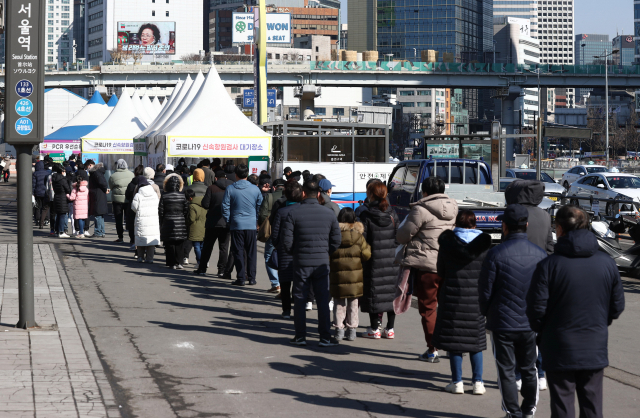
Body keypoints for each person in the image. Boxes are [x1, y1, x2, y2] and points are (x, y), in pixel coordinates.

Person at [527, 205, 625, 418]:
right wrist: (599, 321)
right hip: (594, 343)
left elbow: (535, 309)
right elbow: (617, 306)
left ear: (559, 229)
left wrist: (544, 332)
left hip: (558, 343)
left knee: (562, 404)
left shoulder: (549, 265)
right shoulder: (607, 263)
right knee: (592, 404)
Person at [479, 204, 547, 418]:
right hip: (530, 323)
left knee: (506, 371)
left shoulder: (495, 254)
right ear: (526, 225)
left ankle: (513, 412)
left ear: (504, 226)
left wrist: (486, 313)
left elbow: (485, 291)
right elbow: (545, 291)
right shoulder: (541, 255)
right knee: (529, 369)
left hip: (502, 322)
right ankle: (529, 410)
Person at [396, 177, 458, 362]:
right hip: (448, 263)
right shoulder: (453, 207)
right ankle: (452, 346)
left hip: (427, 266)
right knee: (447, 307)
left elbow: (403, 235)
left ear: (424, 192)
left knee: (429, 309)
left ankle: (432, 350)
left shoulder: (420, 210)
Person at [433, 210, 492, 395]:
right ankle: (478, 382)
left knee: (455, 341)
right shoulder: (484, 245)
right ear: (475, 224)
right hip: (476, 297)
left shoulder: (447, 243)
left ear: (456, 224)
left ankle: (457, 382)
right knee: (475, 341)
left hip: (452, 295)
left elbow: (440, 270)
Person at [282, 180, 341, 347]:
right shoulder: (329, 213)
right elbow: (336, 241)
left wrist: (297, 252)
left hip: (301, 262)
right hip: (322, 262)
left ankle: (300, 336)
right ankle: (324, 336)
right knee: (323, 300)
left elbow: (286, 242)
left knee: (300, 299)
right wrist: (325, 252)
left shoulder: (293, 214)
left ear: (303, 193)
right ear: (318, 194)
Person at [358, 181, 400, 340]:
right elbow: (398, 236)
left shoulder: (366, 214)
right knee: (390, 293)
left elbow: (362, 240)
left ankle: (374, 328)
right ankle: (390, 329)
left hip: (372, 261)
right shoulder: (392, 213)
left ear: (370, 194)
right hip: (391, 260)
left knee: (373, 293)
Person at [330, 208, 371, 341]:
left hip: (337, 275)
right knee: (353, 303)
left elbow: (329, 253)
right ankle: (352, 331)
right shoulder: (359, 237)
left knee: (338, 304)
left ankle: (338, 331)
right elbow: (366, 255)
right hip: (355, 277)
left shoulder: (334, 235)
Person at [222, 164, 263, 286]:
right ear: (247, 175)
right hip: (251, 224)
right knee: (251, 252)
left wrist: (230, 220)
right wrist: (255, 219)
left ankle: (240, 277)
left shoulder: (230, 189)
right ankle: (252, 277)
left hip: (236, 224)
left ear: (236, 175)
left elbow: (225, 207)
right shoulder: (255, 189)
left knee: (238, 251)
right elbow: (260, 205)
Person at [271, 181, 304, 318]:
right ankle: (298, 310)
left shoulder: (281, 212)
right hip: (301, 252)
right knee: (299, 283)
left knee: (285, 284)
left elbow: (275, 234)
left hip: (284, 251)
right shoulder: (303, 210)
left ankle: (286, 311)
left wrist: (277, 245)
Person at [196, 171, 233, 277]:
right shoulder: (231, 188)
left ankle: (202, 269)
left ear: (216, 178)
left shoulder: (211, 188)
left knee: (207, 246)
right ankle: (221, 270)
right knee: (224, 248)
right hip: (226, 222)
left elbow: (205, 204)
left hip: (212, 222)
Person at [505, 180, 554, 253]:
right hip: (540, 259)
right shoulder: (545, 215)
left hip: (514, 259)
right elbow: (550, 245)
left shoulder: (513, 213)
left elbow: (505, 242)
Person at [259, 178, 286, 293]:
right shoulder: (290, 198)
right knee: (285, 257)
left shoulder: (269, 197)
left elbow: (262, 214)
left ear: (274, 187)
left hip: (271, 231)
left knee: (269, 255)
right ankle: (284, 284)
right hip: (287, 232)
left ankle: (276, 283)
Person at [159, 174, 189, 269]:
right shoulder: (182, 196)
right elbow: (186, 210)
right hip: (180, 221)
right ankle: (179, 262)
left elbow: (161, 211)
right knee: (180, 243)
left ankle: (171, 263)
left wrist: (162, 222)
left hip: (168, 220)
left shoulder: (164, 196)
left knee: (169, 243)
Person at [109, 159, 135, 243]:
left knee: (118, 219)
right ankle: (132, 238)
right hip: (128, 200)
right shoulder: (132, 174)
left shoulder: (113, 176)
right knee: (130, 219)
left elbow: (111, 187)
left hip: (117, 200)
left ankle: (120, 237)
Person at [125, 165, 146, 248]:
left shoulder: (131, 184)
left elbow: (127, 196)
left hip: (132, 206)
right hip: (143, 207)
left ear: (135, 173)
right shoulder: (146, 184)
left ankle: (133, 241)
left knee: (131, 224)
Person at [186, 189, 206, 268]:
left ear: (190, 198)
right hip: (204, 227)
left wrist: (186, 222)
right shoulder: (204, 203)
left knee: (197, 246)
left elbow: (192, 219)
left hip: (195, 228)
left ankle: (199, 261)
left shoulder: (192, 206)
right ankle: (204, 261)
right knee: (202, 246)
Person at [88, 163, 109, 238]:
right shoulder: (99, 173)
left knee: (97, 214)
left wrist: (105, 188)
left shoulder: (96, 173)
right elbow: (103, 183)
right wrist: (105, 189)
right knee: (100, 215)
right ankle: (101, 231)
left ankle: (98, 232)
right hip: (99, 195)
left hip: (97, 195)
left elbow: (102, 183)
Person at [67, 171, 90, 238]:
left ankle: (81, 233)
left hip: (77, 206)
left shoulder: (75, 189)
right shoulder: (86, 188)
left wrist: (67, 195)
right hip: (84, 205)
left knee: (79, 219)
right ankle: (82, 231)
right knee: (82, 219)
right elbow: (88, 197)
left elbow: (72, 198)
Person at [51, 164, 71, 238]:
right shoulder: (62, 179)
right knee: (62, 215)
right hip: (62, 197)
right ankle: (61, 231)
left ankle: (57, 231)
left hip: (56, 196)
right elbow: (68, 189)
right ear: (61, 171)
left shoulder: (54, 177)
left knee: (58, 215)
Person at [32, 160, 51, 229]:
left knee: (38, 206)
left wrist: (33, 193)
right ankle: (46, 219)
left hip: (37, 192)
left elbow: (33, 184)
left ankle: (37, 219)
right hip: (45, 192)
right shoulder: (47, 173)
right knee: (45, 207)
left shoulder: (35, 174)